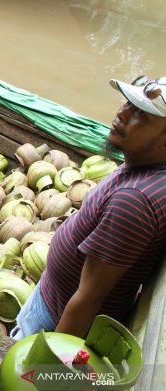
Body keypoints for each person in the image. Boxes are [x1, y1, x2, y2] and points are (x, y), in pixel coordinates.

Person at [12, 75, 166, 340]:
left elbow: (88, 299)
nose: (122, 113)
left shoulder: (134, 202)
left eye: (141, 113)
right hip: (52, 298)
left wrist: (50, 371)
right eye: (128, 103)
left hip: (52, 321)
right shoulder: (144, 166)